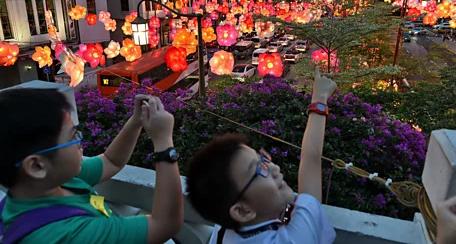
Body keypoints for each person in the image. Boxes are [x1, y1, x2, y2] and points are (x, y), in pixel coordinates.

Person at [0, 89, 183, 243]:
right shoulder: (67, 234)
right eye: (72, 136)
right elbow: (164, 224)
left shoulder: (52, 184)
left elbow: (111, 161)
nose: (81, 142)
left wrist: (137, 121)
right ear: (36, 166)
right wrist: (164, 141)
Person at [186, 67, 337, 243]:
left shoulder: (224, 229)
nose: (273, 167)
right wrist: (319, 98)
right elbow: (311, 164)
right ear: (242, 211)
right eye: (259, 169)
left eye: (263, 159)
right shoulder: (293, 240)